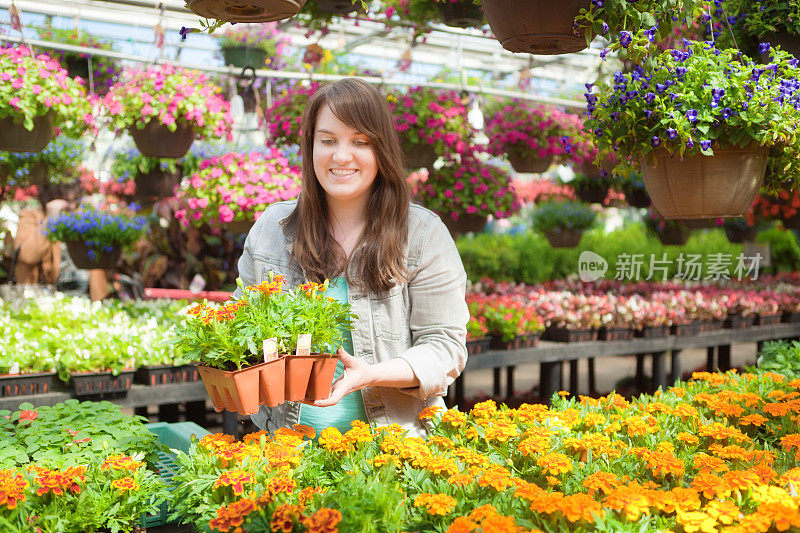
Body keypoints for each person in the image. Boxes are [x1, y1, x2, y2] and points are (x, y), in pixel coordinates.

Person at [236, 78, 469, 437]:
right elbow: (243, 327)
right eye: (328, 140)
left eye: (359, 141)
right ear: (310, 146)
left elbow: (445, 346)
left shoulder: (423, 235)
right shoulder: (272, 229)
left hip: (390, 455)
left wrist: (371, 375)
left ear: (381, 151)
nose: (341, 156)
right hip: (285, 453)